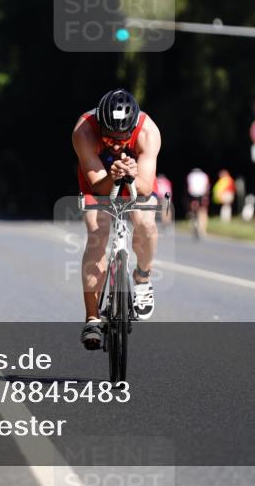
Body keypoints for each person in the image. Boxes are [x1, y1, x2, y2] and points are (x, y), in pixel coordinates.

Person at [73, 89, 161, 349]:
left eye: (122, 137)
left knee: (145, 222)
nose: (115, 143)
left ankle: (142, 278)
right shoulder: (84, 131)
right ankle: (92, 317)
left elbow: (145, 188)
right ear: (100, 124)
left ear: (133, 129)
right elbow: (98, 186)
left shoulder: (148, 132)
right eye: (109, 136)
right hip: (99, 180)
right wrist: (113, 175)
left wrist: (131, 174)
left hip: (137, 179)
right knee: (97, 234)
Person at [186, 167, 209, 237]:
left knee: (193, 209)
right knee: (203, 211)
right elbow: (207, 186)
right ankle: (203, 229)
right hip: (202, 194)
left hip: (193, 195)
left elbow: (189, 187)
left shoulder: (190, 175)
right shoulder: (204, 175)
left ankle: (193, 222)